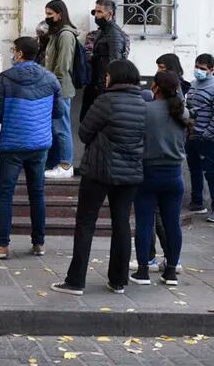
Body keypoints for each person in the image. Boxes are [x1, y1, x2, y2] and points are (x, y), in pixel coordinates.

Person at [52, 59, 146, 296]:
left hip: (98, 170)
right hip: (130, 172)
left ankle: (76, 281)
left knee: (85, 222)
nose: (105, 78)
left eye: (107, 75)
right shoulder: (143, 102)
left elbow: (84, 132)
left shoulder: (106, 100)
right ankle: (118, 280)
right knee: (122, 223)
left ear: (114, 77)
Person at [0, 36, 62, 260]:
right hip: (39, 144)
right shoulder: (50, 79)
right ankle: (39, 242)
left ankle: (3, 244)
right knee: (37, 193)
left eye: (14, 50)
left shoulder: (5, 79)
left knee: (5, 194)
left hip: (12, 145)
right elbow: (59, 112)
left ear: (19, 53)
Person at [131, 71, 188, 287]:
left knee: (145, 222)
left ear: (155, 87)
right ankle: (171, 271)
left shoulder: (145, 110)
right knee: (173, 223)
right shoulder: (182, 111)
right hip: (174, 174)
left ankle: (143, 270)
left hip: (147, 172)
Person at [185, 53, 214, 223]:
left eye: (202, 69)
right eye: (197, 67)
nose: (198, 71)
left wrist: (207, 134)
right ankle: (197, 201)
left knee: (211, 173)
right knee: (194, 169)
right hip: (191, 135)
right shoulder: (193, 84)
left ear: (211, 69)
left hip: (207, 139)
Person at [43, 0, 80, 179]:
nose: (47, 17)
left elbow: (62, 66)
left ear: (59, 14)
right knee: (56, 127)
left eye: (50, 14)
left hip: (60, 88)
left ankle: (66, 165)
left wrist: (51, 84)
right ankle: (58, 163)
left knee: (61, 127)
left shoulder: (65, 35)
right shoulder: (57, 34)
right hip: (55, 86)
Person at [80, 0, 127, 122]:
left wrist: (106, 88)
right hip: (95, 83)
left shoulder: (114, 34)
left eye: (99, 12)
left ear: (110, 14)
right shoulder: (103, 31)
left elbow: (115, 64)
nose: (96, 15)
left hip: (103, 88)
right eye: (95, 11)